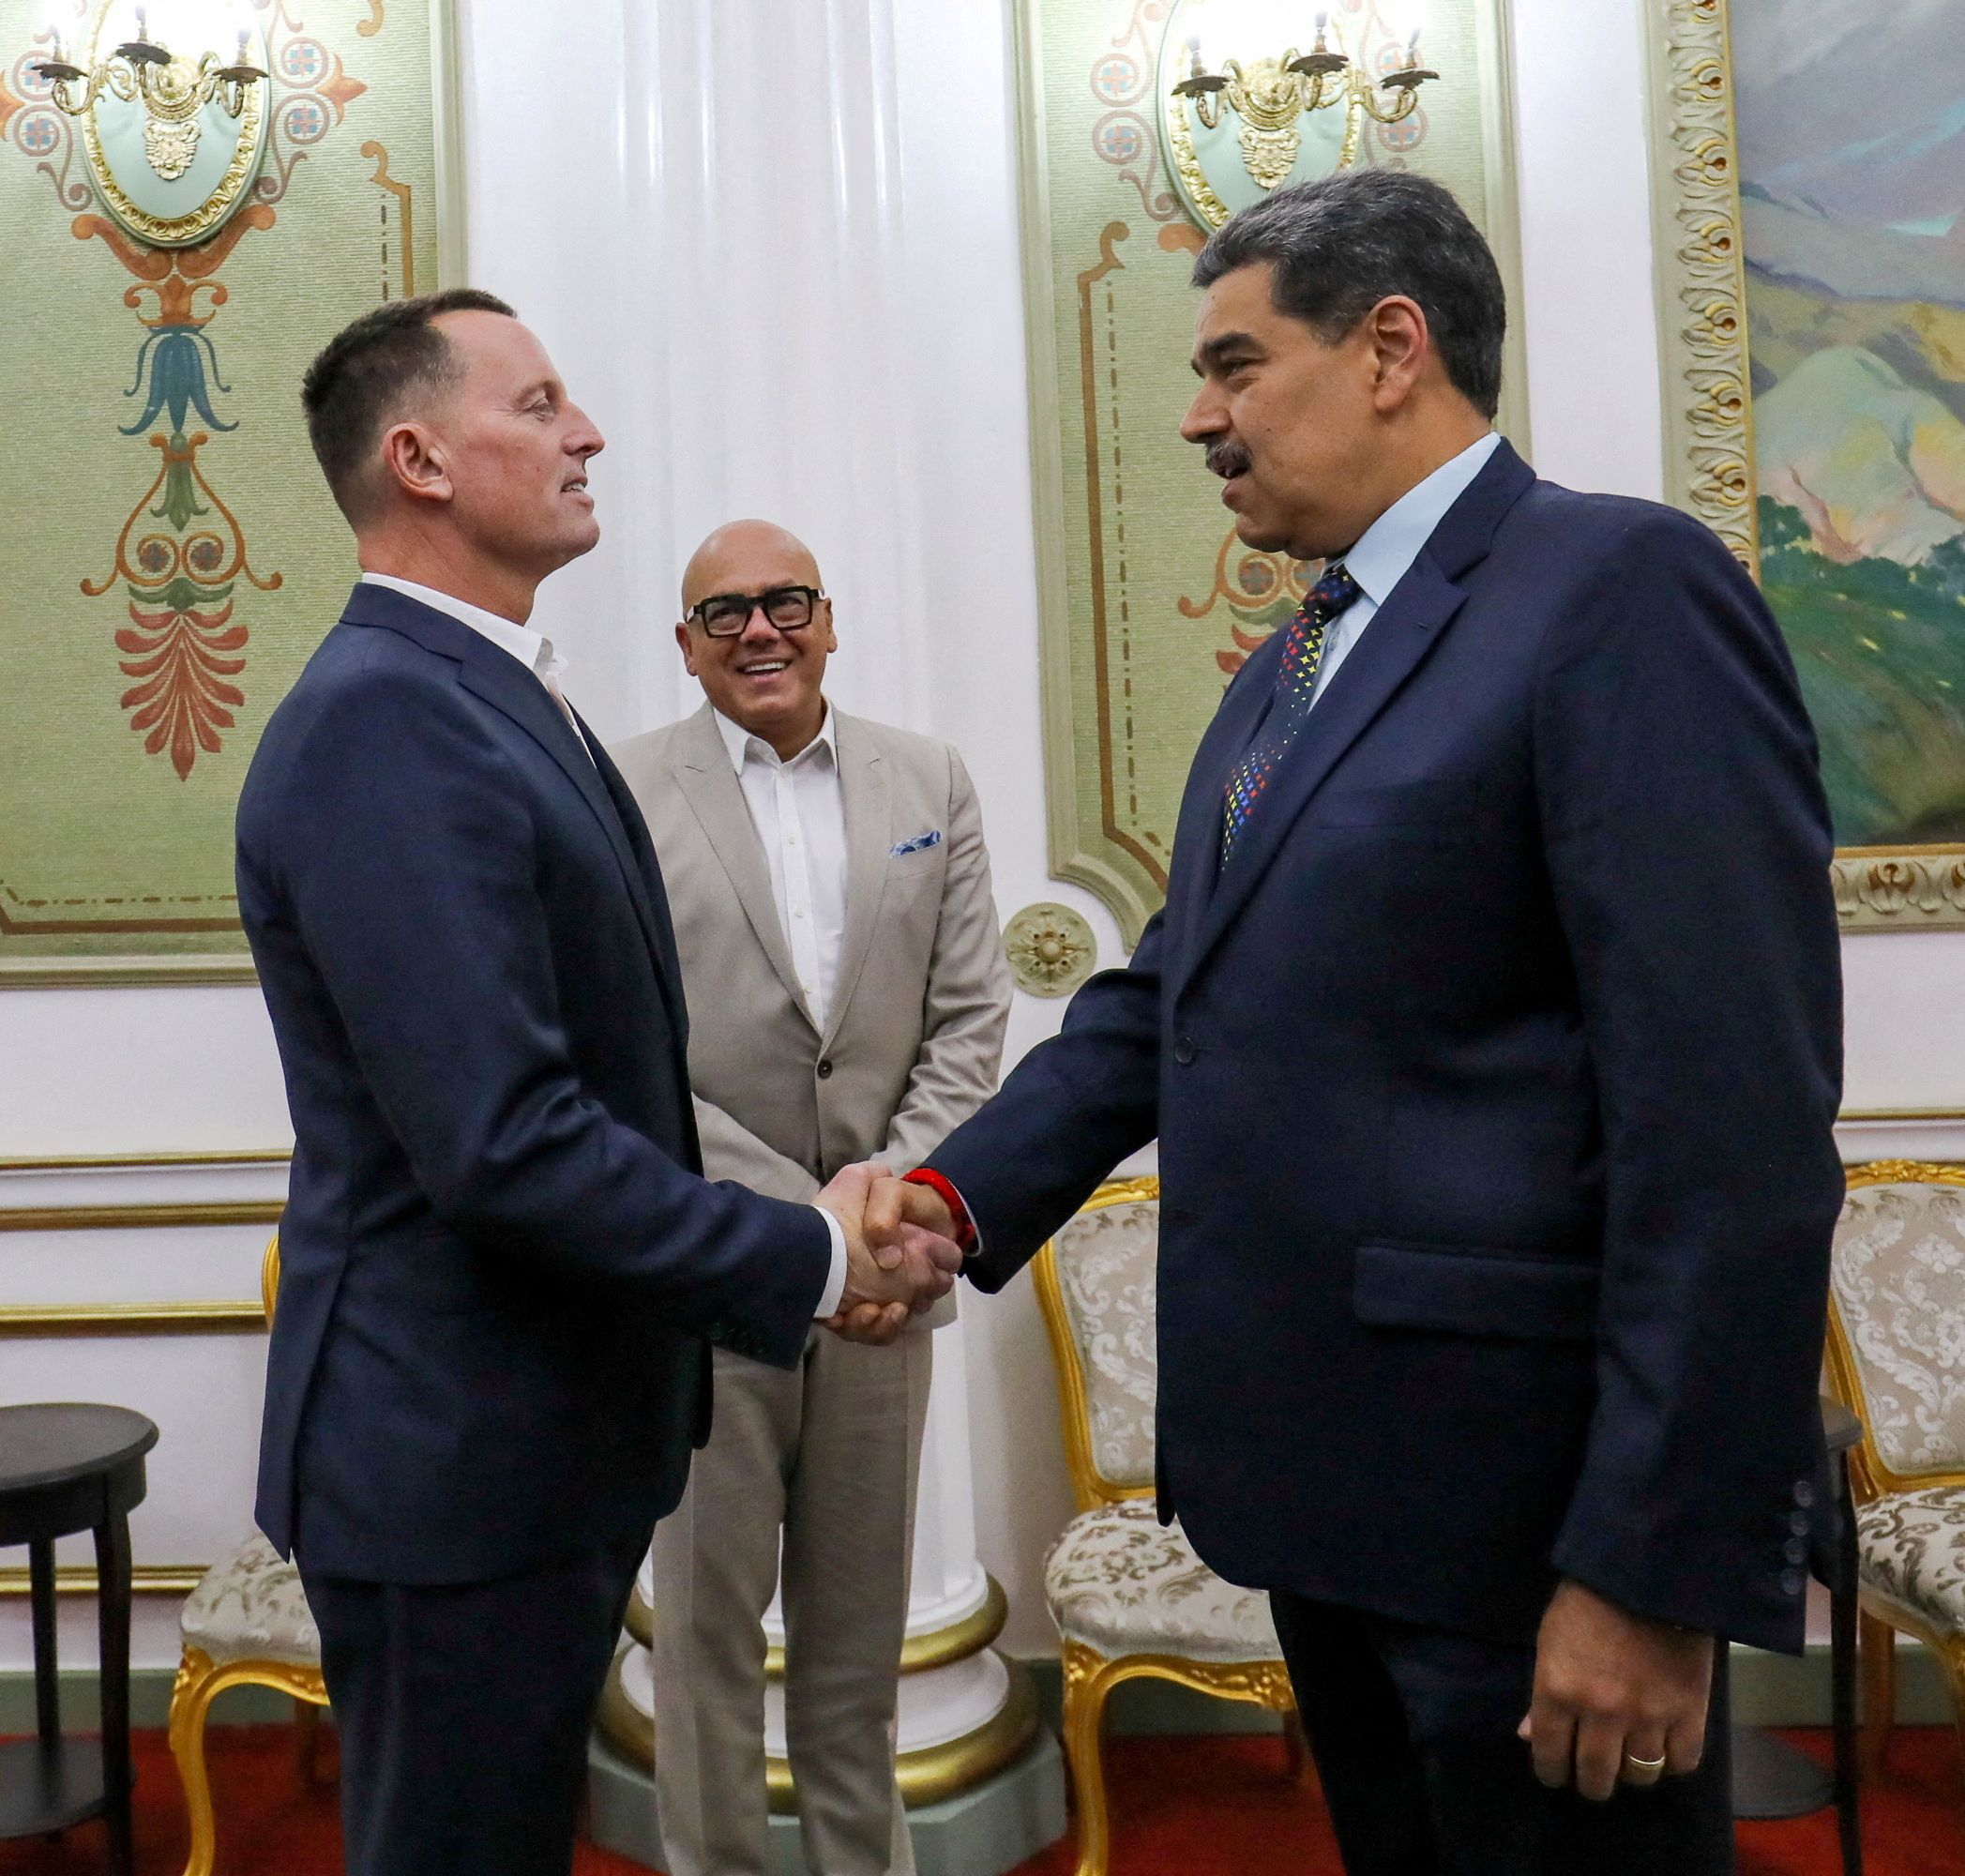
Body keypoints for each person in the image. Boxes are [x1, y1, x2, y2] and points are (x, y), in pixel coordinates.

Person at [869, 171, 1844, 1874]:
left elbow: (1734, 1131)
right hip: (1334, 1502)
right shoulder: (1291, 663)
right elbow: (1175, 995)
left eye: (1236, 364)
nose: (1199, 417)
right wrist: (955, 1203)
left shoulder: (1620, 589)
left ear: (1392, 346)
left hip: (1528, 1530)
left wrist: (1648, 1570)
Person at [234, 290, 958, 1876]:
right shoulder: (389, 721)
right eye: (542, 402)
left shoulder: (489, 696)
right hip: (454, 1460)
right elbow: (505, 1141)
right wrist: (813, 1255)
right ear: (420, 458)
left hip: (534, 1440)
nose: (589, 433)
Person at [612, 519, 1011, 1876]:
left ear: (829, 620)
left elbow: (970, 1022)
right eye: (724, 614)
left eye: (786, 603)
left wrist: (885, 1217)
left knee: (857, 1660)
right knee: (707, 1661)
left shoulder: (931, 779)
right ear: (686, 647)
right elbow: (632, 1060)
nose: (760, 630)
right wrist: (808, 1231)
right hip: (714, 1281)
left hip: (888, 1295)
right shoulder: (618, 789)